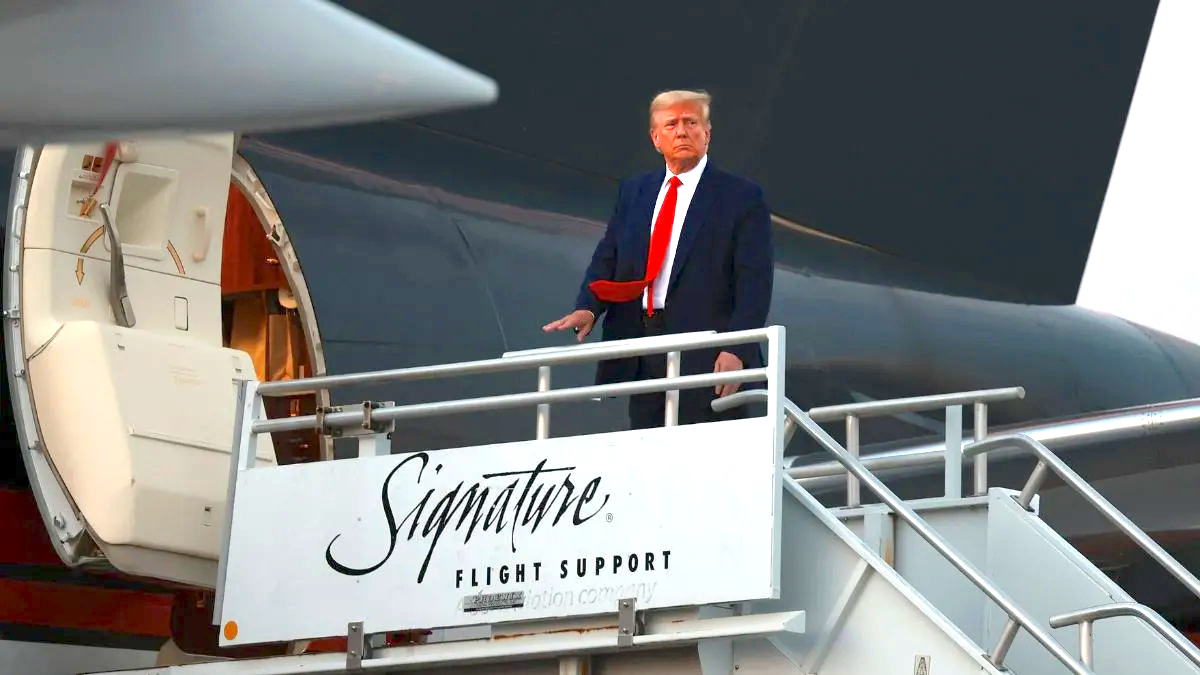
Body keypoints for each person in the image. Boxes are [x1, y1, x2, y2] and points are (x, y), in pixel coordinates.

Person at [543, 89, 774, 429]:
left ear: (707, 133)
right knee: (648, 450)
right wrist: (589, 306)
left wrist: (736, 348)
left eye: (691, 122)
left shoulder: (741, 197)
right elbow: (610, 255)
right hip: (645, 344)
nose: (681, 131)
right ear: (656, 138)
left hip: (708, 351)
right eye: (671, 124)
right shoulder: (635, 191)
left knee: (706, 460)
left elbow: (754, 282)